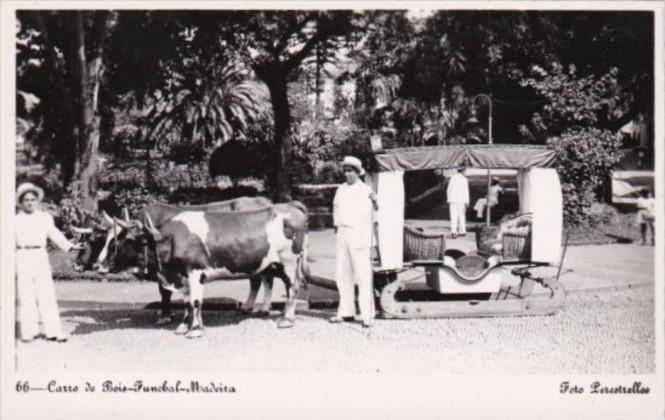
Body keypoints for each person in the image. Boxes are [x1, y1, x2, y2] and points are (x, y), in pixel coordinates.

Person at [15, 183, 84, 343]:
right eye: (26, 200)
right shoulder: (14, 220)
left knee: (46, 294)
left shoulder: (44, 218)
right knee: (26, 295)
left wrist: (70, 245)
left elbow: (55, 234)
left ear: (37, 201)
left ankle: (54, 331)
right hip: (22, 255)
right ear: (21, 201)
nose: (30, 202)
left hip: (40, 255)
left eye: (33, 199)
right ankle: (29, 331)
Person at [330, 156, 378, 328]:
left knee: (363, 275)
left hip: (359, 234)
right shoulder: (340, 189)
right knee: (342, 275)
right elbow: (335, 211)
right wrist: (337, 229)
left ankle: (367, 314)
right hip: (342, 233)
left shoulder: (365, 190)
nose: (347, 174)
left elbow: (373, 216)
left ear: (358, 172)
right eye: (345, 171)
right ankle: (345, 311)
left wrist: (375, 202)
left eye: (351, 171)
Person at [446, 168, 469, 238]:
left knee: (453, 216)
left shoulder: (452, 179)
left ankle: (453, 231)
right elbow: (466, 191)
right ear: (463, 171)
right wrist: (467, 201)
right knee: (461, 215)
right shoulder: (464, 180)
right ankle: (462, 231)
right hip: (461, 200)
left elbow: (448, 190)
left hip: (453, 200)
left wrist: (449, 198)